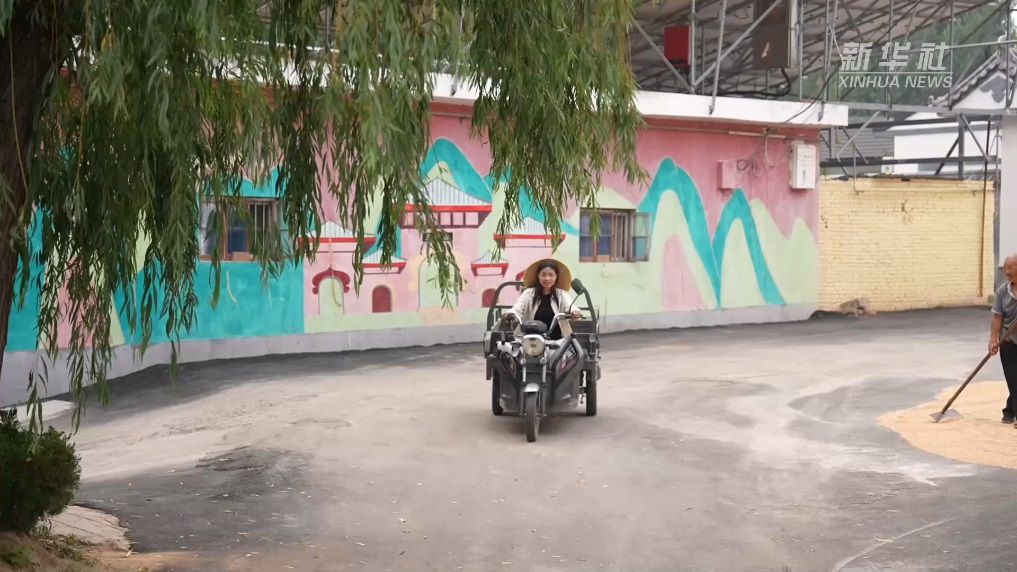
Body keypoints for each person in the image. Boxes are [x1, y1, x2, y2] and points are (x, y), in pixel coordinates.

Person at [502, 258, 582, 339]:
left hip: (558, 341)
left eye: (551, 275)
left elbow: (570, 306)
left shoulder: (562, 295)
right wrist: (510, 313)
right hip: (531, 340)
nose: (547, 278)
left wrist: (574, 312)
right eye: (543, 275)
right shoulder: (528, 294)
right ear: (538, 275)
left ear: (556, 276)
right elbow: (517, 309)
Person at [989, 254, 1017, 424]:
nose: (1007, 272)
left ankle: (1009, 412)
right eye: (1005, 268)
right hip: (1008, 342)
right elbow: (997, 317)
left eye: (1010, 268)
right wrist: (993, 340)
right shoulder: (1002, 292)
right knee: (1014, 378)